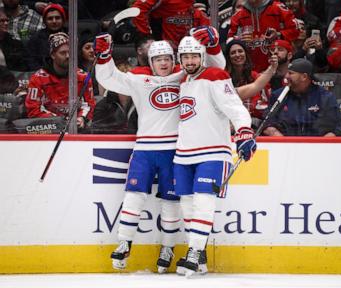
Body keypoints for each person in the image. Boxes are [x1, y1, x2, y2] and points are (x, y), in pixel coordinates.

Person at [94, 26, 226, 273]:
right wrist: (104, 57)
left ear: (174, 60)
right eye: (158, 59)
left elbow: (217, 68)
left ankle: (168, 248)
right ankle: (124, 242)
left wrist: (215, 45)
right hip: (144, 148)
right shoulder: (139, 80)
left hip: (175, 151)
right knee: (133, 196)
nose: (163, 63)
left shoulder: (184, 78)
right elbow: (109, 78)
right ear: (149, 61)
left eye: (167, 58)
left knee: (172, 202)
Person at [173, 35, 257, 277]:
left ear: (202, 57)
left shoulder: (215, 76)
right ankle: (200, 257)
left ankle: (193, 251)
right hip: (183, 154)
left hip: (213, 151)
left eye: (194, 56)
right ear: (180, 58)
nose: (190, 61)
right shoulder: (182, 81)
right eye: (185, 56)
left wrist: (244, 131)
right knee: (187, 206)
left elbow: (235, 106)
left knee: (203, 201)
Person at [25, 32, 96, 130]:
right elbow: (33, 110)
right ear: (53, 55)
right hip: (48, 130)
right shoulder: (38, 78)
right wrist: (59, 121)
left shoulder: (83, 77)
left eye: (70, 52)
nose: (67, 56)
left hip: (77, 129)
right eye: (62, 53)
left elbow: (89, 104)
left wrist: (81, 118)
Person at [262, 58, 341, 136]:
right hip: (285, 146)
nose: (286, 76)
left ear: (304, 77)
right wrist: (282, 141)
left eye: (291, 73)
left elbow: (336, 128)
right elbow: (266, 123)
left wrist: (320, 146)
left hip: (317, 147)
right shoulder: (278, 96)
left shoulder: (325, 97)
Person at [227, 0, 299, 72]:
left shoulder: (278, 8)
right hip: (249, 70)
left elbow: (296, 30)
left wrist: (279, 34)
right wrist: (238, 40)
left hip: (278, 68)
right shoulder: (238, 15)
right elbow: (229, 40)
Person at [225, 38, 275, 129]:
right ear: (228, 58)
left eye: (240, 51)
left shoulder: (256, 77)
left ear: (246, 54)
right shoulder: (223, 79)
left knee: (271, 130)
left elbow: (264, 105)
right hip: (230, 123)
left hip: (254, 121)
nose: (237, 55)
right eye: (233, 53)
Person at [131, 0, 211, 49]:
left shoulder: (197, 8)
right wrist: (150, 38)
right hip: (161, 48)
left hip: (186, 48)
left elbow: (204, 24)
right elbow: (137, 10)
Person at [26, 3, 67, 71]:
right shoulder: (36, 38)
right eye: (50, 18)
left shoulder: (72, 35)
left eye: (57, 18)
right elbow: (30, 60)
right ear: (45, 21)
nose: (54, 21)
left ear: (63, 20)